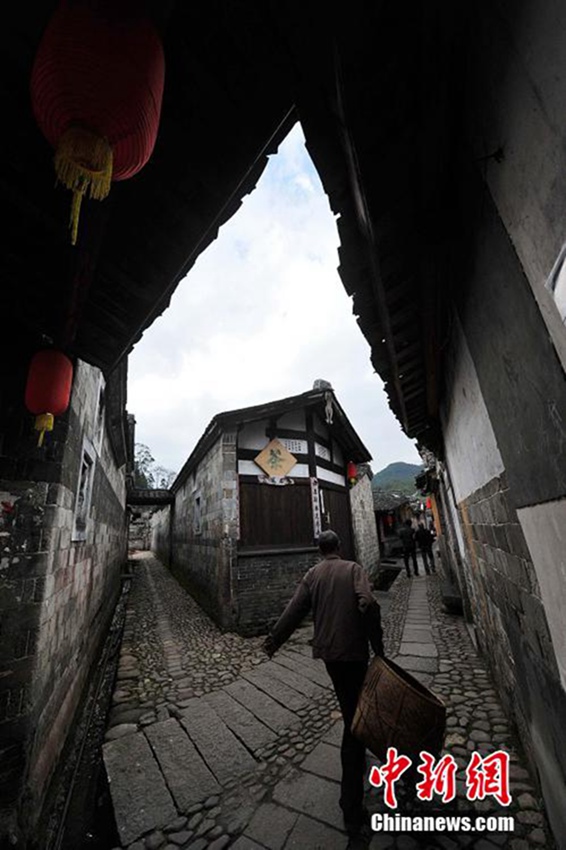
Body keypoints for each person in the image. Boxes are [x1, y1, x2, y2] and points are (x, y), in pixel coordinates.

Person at [263, 530, 383, 846]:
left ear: (320, 550)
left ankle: (356, 777)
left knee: (350, 709)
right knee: (354, 723)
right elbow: (368, 602)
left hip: (330, 655)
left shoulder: (312, 574)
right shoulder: (354, 569)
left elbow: (294, 610)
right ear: (338, 548)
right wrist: (378, 646)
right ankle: (351, 806)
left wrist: (274, 640)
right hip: (354, 653)